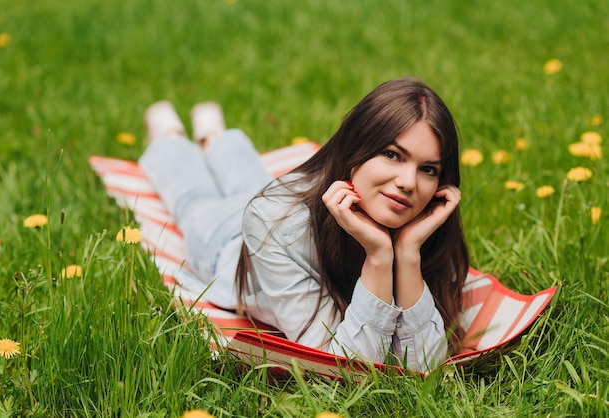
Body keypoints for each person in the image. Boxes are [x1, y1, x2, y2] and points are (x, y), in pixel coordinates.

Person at [139, 78, 469, 372]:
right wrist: (381, 257)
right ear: (355, 149)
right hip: (228, 242)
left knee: (248, 183)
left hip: (278, 207)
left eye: (428, 169)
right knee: (194, 199)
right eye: (393, 155)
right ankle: (171, 136)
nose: (409, 183)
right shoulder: (273, 222)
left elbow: (423, 367)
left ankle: (213, 137)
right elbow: (347, 369)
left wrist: (407, 253)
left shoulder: (425, 230)